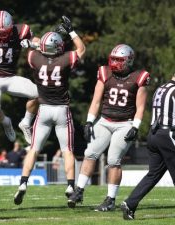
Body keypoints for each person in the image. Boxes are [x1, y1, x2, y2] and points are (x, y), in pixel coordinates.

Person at [68, 44, 149, 211]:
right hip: (104, 120)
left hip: (125, 123)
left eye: (119, 60)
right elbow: (96, 100)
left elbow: (140, 107)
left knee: (113, 160)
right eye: (113, 59)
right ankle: (79, 190)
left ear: (129, 61)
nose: (115, 63)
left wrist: (135, 126)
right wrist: (90, 121)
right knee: (90, 153)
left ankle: (110, 199)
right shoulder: (105, 73)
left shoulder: (138, 77)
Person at [14, 16, 86, 205]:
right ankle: (70, 185)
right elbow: (81, 49)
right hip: (62, 110)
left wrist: (35, 42)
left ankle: (23, 182)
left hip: (44, 109)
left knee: (34, 149)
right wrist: (71, 31)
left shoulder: (34, 58)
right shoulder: (65, 59)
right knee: (67, 150)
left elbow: (35, 47)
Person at [0, 10, 39, 145]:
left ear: (11, 27)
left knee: (38, 94)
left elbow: (40, 43)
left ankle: (26, 123)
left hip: (11, 78)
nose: (1, 36)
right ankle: (6, 122)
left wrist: (31, 44)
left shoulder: (21, 31)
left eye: (5, 32)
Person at [120, 75, 175, 220]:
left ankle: (130, 203)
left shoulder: (161, 88)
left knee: (153, 174)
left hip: (154, 134)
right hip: (167, 134)